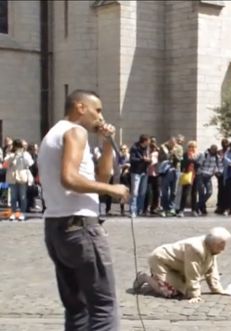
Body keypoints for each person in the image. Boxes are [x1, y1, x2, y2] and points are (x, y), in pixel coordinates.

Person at [38, 90, 130, 330]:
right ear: (80, 107)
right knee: (103, 307)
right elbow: (69, 178)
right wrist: (114, 191)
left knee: (77, 308)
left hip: (56, 227)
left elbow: (100, 176)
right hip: (81, 227)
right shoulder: (75, 131)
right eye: (97, 110)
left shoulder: (53, 133)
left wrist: (107, 144)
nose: (100, 116)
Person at [132, 227, 231, 302]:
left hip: (177, 265)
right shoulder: (196, 248)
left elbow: (212, 268)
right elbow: (192, 272)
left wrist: (217, 289)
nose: (223, 249)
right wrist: (195, 295)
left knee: (183, 288)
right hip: (160, 260)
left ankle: (159, 279)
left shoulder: (212, 246)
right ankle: (144, 277)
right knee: (170, 292)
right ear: (212, 244)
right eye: (221, 246)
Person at [4, 139, 34, 220]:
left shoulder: (25, 154)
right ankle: (13, 213)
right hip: (12, 178)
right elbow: (5, 164)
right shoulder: (10, 154)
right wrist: (13, 156)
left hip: (22, 177)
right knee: (13, 197)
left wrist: (23, 155)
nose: (18, 148)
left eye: (20, 146)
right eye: (17, 146)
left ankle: (22, 213)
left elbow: (30, 163)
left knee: (22, 197)